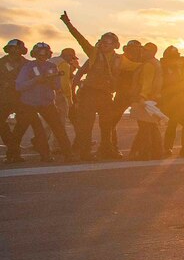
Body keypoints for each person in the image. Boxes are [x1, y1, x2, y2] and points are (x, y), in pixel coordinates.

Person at [61, 12, 136, 161]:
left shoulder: (120, 59)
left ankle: (107, 150)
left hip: (106, 95)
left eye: (108, 42)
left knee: (107, 125)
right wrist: (68, 23)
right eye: (103, 42)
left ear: (115, 45)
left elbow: (138, 67)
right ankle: (85, 153)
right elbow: (80, 39)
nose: (104, 44)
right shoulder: (94, 53)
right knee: (86, 124)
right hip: (89, 93)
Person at [12, 43, 73, 162]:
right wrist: (36, 80)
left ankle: (68, 154)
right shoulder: (28, 67)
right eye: (40, 53)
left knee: (59, 128)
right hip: (28, 104)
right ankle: (13, 155)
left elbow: (57, 86)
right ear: (34, 54)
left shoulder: (52, 67)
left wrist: (50, 81)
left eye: (45, 53)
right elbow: (19, 86)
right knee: (21, 130)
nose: (42, 56)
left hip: (47, 103)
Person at [2, 38, 49, 161]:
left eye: (17, 49)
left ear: (22, 51)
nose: (14, 51)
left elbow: (37, 79)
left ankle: (45, 154)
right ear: (8, 50)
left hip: (23, 100)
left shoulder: (29, 65)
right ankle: (13, 149)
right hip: (4, 99)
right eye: (12, 49)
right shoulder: (1, 63)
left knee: (33, 125)